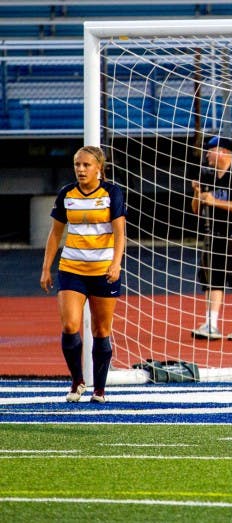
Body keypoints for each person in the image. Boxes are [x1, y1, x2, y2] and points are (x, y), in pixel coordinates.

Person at [40, 146, 126, 403]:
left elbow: (120, 233)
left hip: (103, 271)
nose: (80, 169)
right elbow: (55, 233)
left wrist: (116, 263)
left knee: (101, 330)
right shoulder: (66, 193)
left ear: (99, 167)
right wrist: (46, 267)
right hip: (72, 269)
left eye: (86, 165)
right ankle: (77, 381)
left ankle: (99, 389)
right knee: (70, 325)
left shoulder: (112, 193)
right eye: (77, 164)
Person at [190, 136, 232, 341]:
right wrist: (197, 193)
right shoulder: (208, 175)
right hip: (215, 233)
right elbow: (196, 209)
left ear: (223, 152)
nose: (207, 154)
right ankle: (211, 324)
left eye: (210, 150)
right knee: (212, 279)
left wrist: (214, 201)